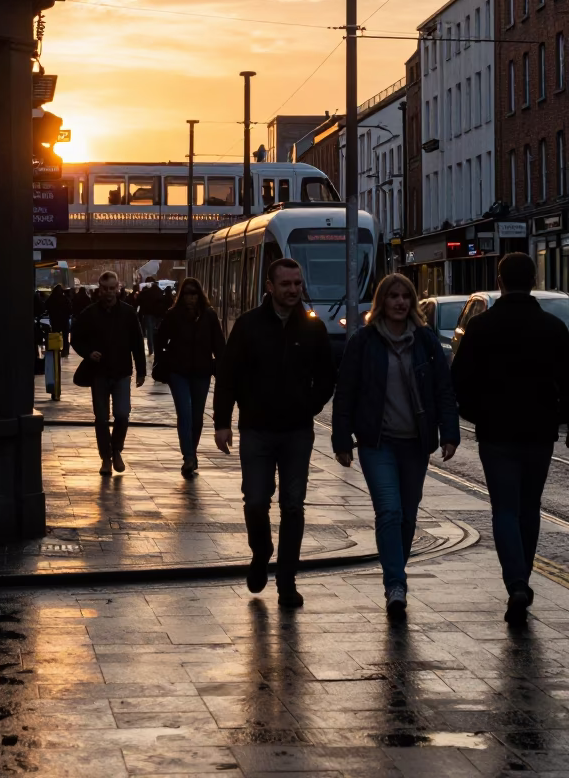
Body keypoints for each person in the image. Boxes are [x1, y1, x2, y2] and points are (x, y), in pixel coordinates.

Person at [332, 274, 459, 619]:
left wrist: (449, 432)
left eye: (406, 296)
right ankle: (396, 584)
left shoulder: (426, 342)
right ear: (382, 302)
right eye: (393, 297)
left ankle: (395, 576)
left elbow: (443, 390)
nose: (400, 302)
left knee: (407, 516)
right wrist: (341, 438)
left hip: (415, 444)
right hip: (378, 443)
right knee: (388, 511)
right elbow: (345, 392)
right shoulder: (364, 341)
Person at [452, 252, 569, 625]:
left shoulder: (482, 327)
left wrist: (476, 414)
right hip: (539, 431)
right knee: (530, 506)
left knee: (503, 508)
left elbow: (459, 382)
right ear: (533, 280)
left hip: (496, 432)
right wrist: (560, 417)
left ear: (500, 282)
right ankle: (523, 578)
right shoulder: (553, 328)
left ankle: (516, 582)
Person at [213, 257, 335, 609]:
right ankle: (261, 551)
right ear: (270, 287)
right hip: (256, 430)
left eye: (298, 284)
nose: (294, 290)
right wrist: (222, 422)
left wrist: (308, 405)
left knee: (293, 506)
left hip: (297, 432)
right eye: (286, 284)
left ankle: (286, 581)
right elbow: (228, 377)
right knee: (255, 500)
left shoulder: (312, 328)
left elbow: (327, 376)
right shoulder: (248, 326)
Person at [70, 270, 146, 475]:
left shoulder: (128, 313)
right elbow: (75, 338)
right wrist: (88, 353)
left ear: (118, 288)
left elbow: (137, 342)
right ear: (100, 289)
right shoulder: (90, 313)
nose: (110, 293)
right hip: (99, 373)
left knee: (122, 414)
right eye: (106, 289)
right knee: (101, 417)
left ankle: (116, 450)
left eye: (113, 288)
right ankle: (106, 458)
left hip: (122, 372)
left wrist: (141, 371)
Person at [153, 278, 225, 476]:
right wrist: (163, 359)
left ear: (199, 295)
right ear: (181, 295)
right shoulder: (173, 315)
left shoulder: (209, 316)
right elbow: (159, 338)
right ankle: (188, 457)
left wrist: (221, 367)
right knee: (184, 414)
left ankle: (192, 451)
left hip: (202, 372)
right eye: (187, 294)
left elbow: (219, 345)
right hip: (179, 372)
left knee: (197, 416)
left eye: (194, 294)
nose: (190, 298)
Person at [138, 278, 165, 357]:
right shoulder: (158, 290)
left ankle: (151, 349)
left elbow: (139, 301)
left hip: (148, 313)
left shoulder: (144, 292)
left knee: (149, 331)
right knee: (155, 331)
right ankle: (156, 348)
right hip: (157, 314)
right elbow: (162, 301)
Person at [45, 284, 71, 358]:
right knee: (65, 336)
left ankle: (56, 349)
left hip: (55, 320)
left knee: (56, 335)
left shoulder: (51, 298)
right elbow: (69, 309)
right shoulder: (65, 298)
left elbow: (46, 306)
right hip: (64, 320)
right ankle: (65, 351)